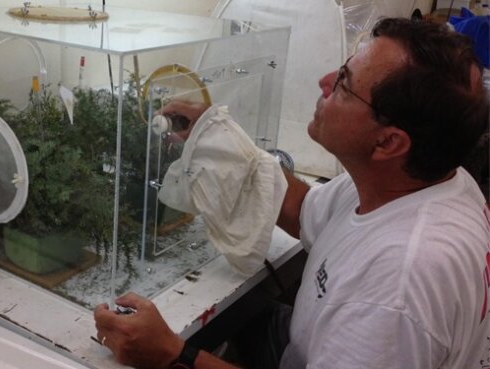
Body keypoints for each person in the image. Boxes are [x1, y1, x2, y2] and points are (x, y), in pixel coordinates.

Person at [94, 17, 490, 369]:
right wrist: (216, 142)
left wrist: (173, 354)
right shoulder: (420, 180)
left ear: (388, 142)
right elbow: (303, 208)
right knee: (243, 317)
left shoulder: (396, 286)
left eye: (342, 85)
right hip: (306, 345)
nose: (323, 81)